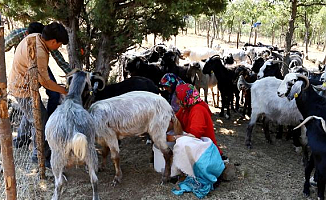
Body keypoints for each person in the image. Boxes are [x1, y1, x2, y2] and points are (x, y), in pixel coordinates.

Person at [8, 22, 69, 168]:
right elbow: (46, 82)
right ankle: (40, 155)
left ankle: (21, 140)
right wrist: (65, 91)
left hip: (24, 86)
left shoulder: (35, 36)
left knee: (30, 115)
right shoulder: (40, 52)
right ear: (53, 41)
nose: (58, 48)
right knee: (41, 121)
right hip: (22, 90)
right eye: (59, 45)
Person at [167, 83, 226, 198]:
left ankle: (191, 171)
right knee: (178, 139)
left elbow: (193, 136)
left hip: (206, 150)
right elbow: (174, 121)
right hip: (197, 146)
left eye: (178, 99)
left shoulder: (198, 109)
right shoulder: (186, 107)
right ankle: (183, 170)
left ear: (185, 98)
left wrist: (172, 138)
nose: (177, 102)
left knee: (181, 142)